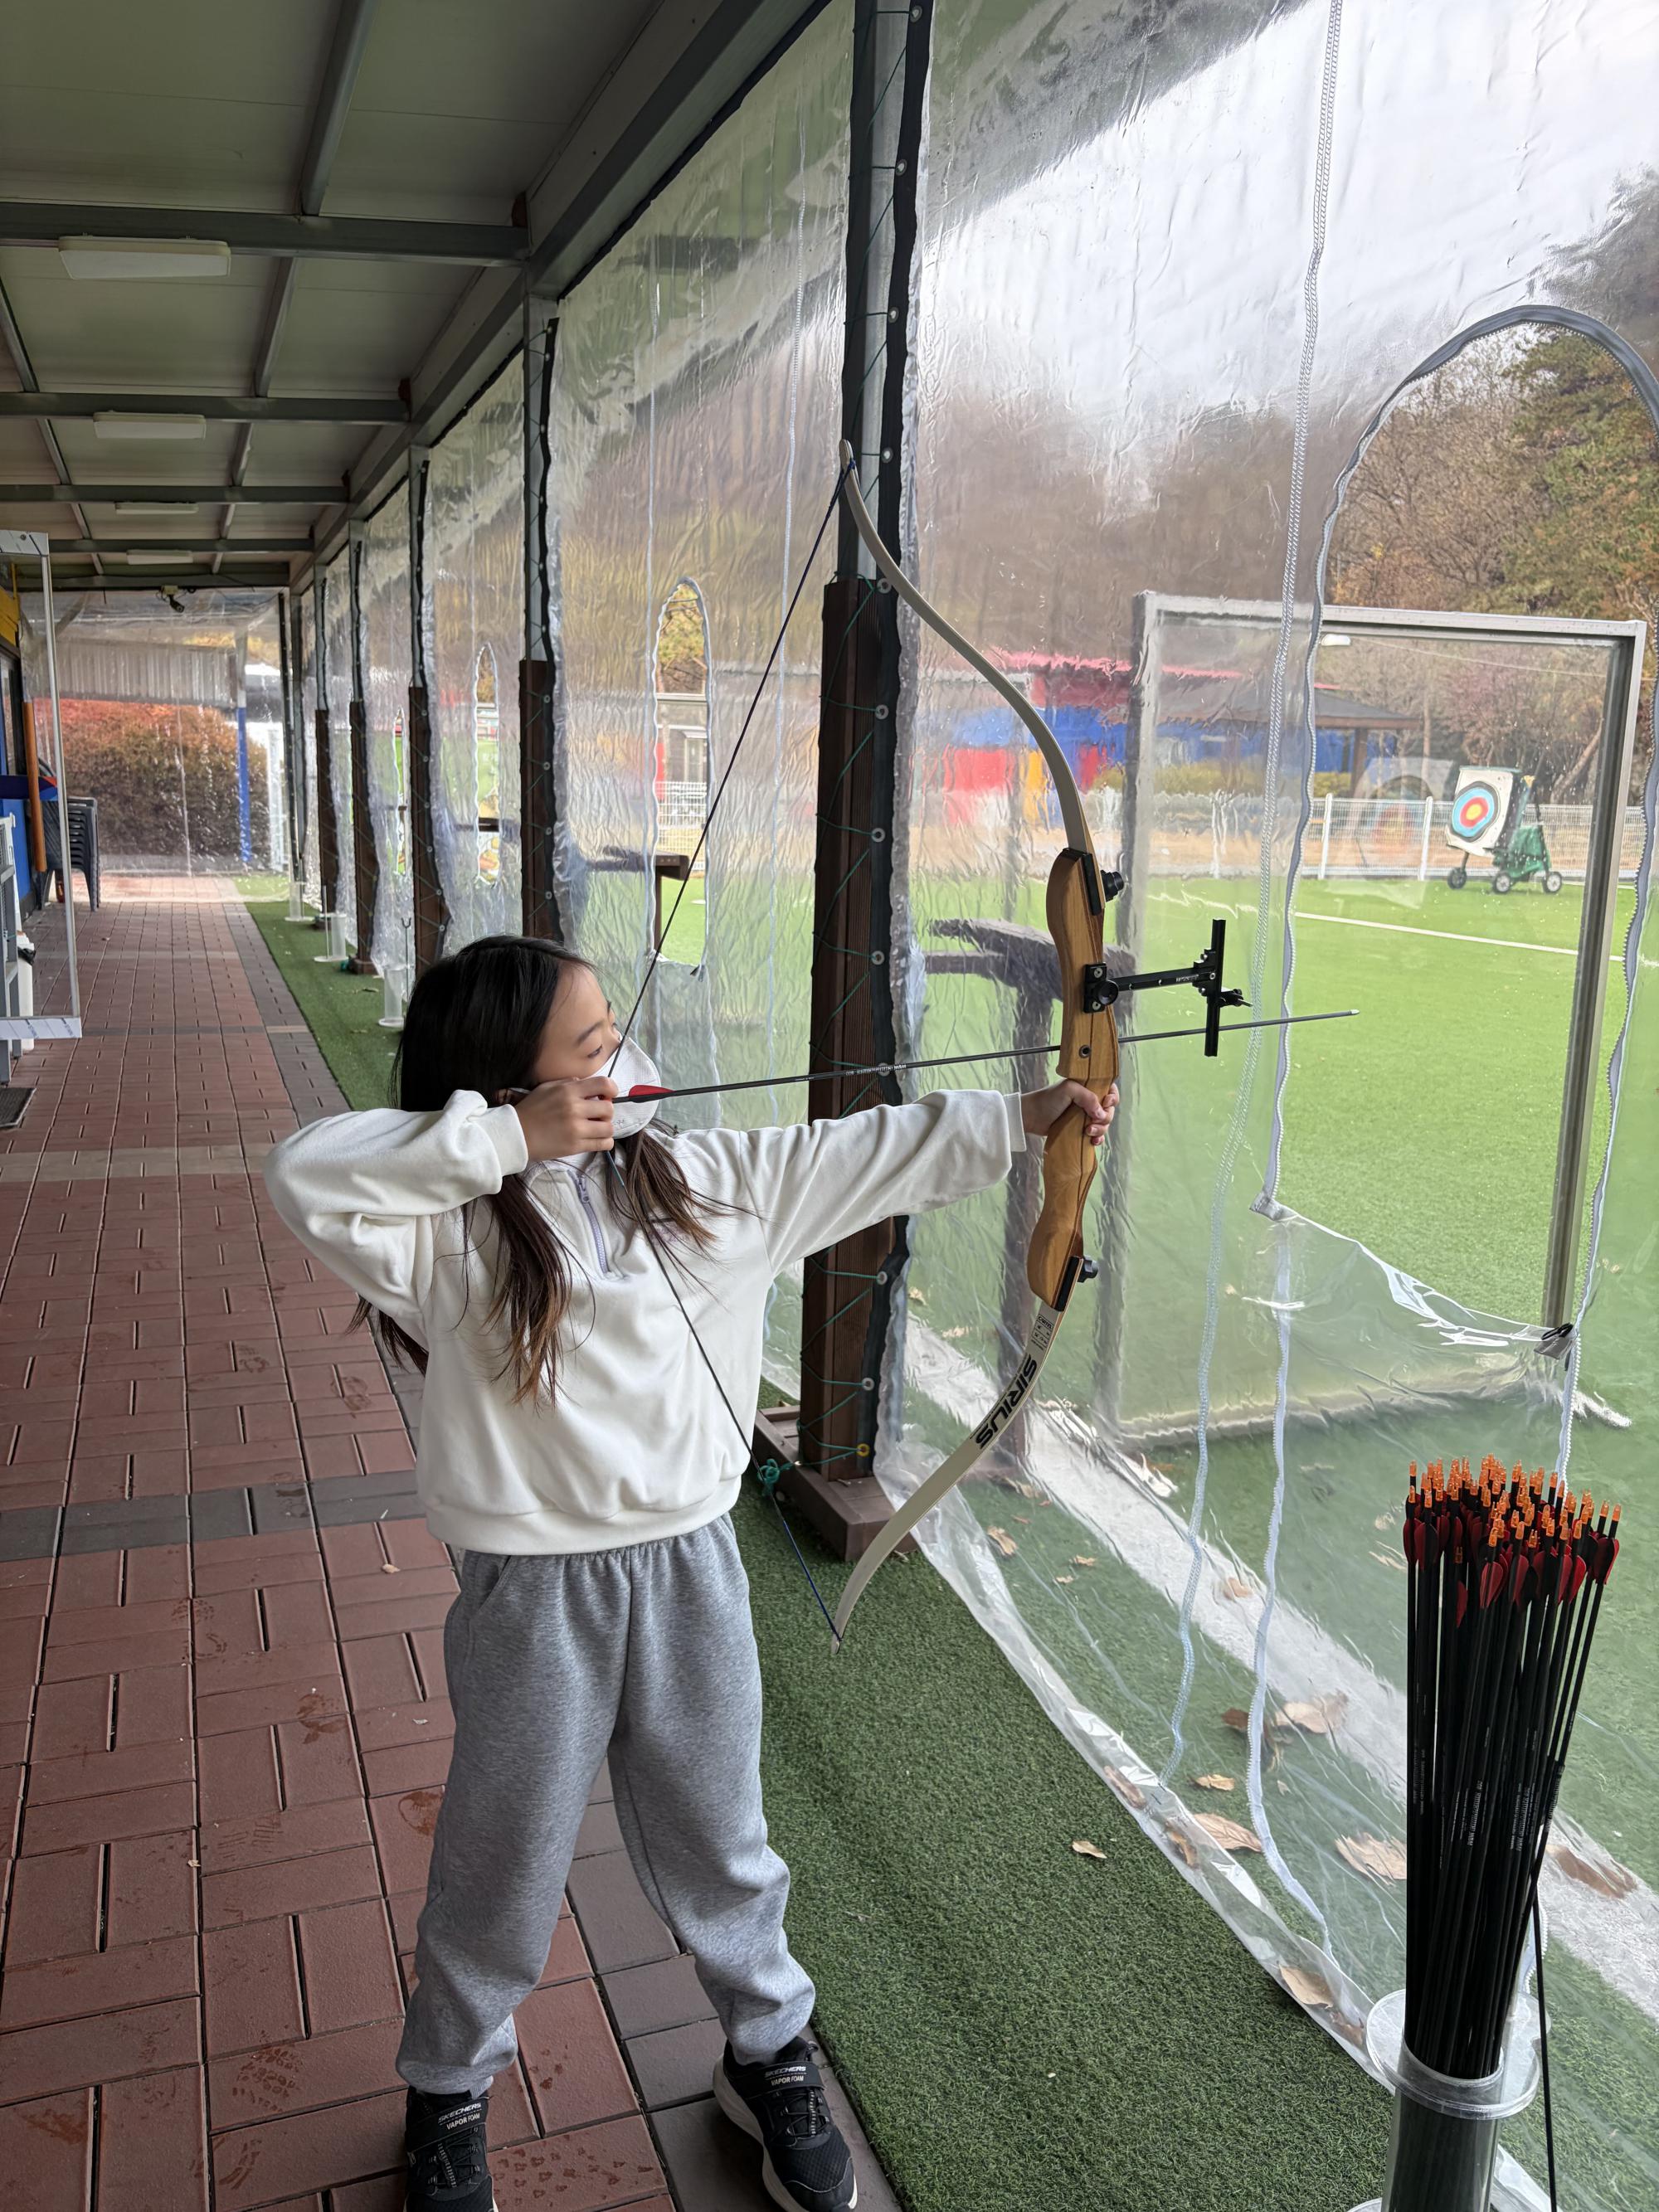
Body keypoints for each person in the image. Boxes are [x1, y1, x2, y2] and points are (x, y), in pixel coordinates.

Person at [262, 935, 1116, 2212]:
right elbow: (303, 1171)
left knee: (723, 1841)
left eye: (618, 1036)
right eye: (591, 1049)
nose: (624, 1064)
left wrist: (1024, 1117)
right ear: (510, 1085)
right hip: (534, 1594)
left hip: (691, 1571)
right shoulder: (441, 1230)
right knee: (503, 1859)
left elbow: (862, 1152)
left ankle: (766, 2053)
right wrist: (503, 1144)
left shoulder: (704, 1183)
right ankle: (447, 2088)